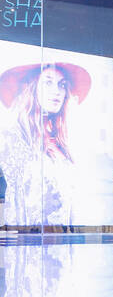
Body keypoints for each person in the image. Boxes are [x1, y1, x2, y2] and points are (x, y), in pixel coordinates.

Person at [0, 59, 92, 228]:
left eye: (62, 85)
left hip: (62, 239)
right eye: (48, 83)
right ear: (33, 87)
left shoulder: (60, 142)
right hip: (30, 238)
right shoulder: (11, 136)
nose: (57, 91)